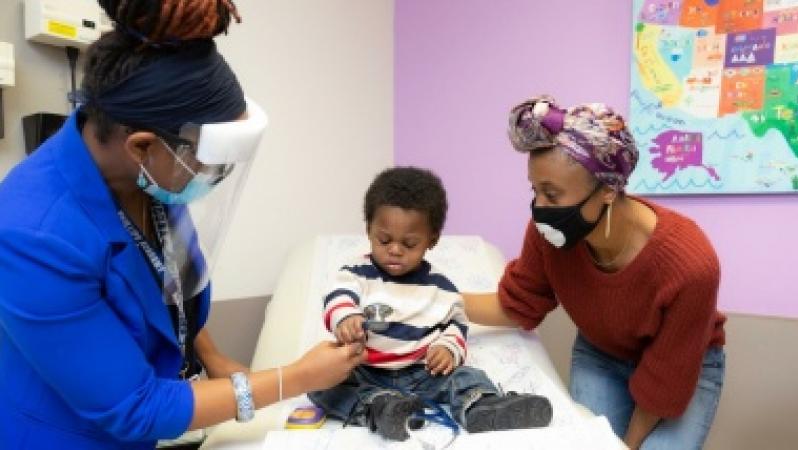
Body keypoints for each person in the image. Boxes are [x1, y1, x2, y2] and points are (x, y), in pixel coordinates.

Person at [0, 2, 363, 448]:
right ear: (142, 146)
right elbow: (136, 407)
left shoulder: (153, 179)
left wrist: (211, 355)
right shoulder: (32, 235)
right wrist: (295, 377)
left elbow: (164, 284)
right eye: (208, 162)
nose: (213, 176)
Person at [463, 95, 726, 450]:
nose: (539, 209)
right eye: (535, 190)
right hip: (601, 354)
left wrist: (626, 446)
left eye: (552, 195)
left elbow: (663, 388)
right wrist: (437, 300)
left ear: (608, 190)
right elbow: (518, 305)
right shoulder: (548, 236)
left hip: (681, 367)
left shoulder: (690, 264)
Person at [307, 167, 553, 442]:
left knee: (466, 376)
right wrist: (345, 318)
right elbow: (338, 297)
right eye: (384, 240)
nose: (395, 250)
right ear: (369, 230)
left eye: (409, 244)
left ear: (431, 240)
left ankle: (480, 407)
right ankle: (379, 408)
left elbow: (456, 324)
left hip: (422, 373)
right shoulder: (356, 274)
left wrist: (447, 348)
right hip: (367, 370)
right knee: (319, 385)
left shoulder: (440, 287)